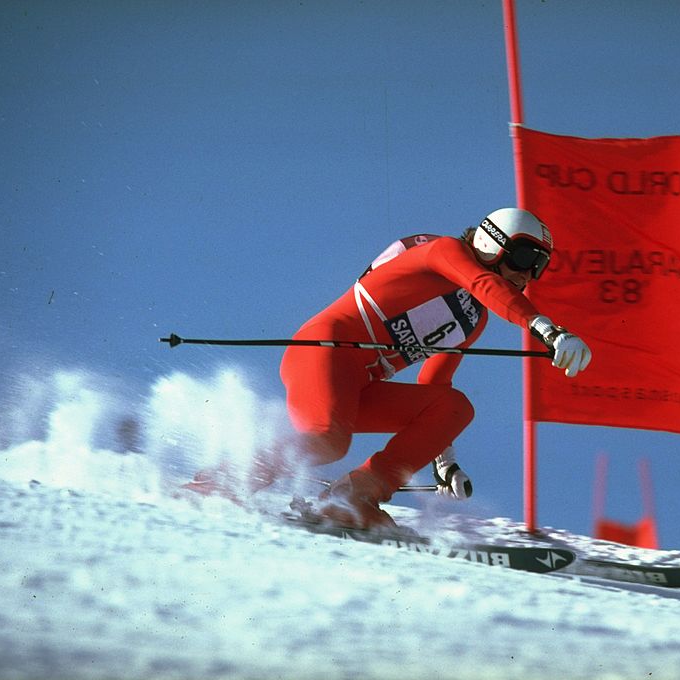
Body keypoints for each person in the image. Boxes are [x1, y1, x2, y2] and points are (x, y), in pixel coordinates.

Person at [185, 208, 591, 529]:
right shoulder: (445, 252)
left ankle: (356, 495)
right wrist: (549, 331)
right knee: (329, 440)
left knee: (455, 406)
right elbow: (487, 285)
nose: (527, 274)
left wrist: (442, 460)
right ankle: (219, 482)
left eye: (538, 267)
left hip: (359, 383)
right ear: (491, 243)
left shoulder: (474, 317)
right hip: (323, 351)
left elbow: (436, 381)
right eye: (523, 257)